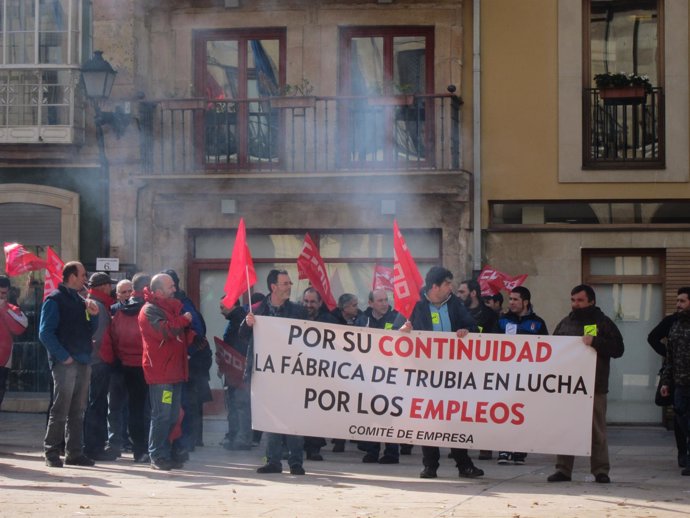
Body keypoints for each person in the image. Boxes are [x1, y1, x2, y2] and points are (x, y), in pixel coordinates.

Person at [398, 266, 484, 479]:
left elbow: (471, 326)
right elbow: (396, 333)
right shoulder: (415, 305)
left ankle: (464, 465)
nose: (451, 287)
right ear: (434, 286)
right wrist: (404, 331)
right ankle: (430, 466)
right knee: (429, 419)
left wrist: (466, 331)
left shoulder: (454, 303)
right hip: (425, 373)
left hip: (453, 373)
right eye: (447, 284)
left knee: (454, 419)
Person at [548, 284, 624, 483]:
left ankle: (600, 470)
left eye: (580, 300)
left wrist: (596, 342)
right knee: (566, 427)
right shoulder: (565, 323)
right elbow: (553, 349)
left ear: (591, 301)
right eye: (573, 300)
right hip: (568, 386)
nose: (576, 304)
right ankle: (563, 469)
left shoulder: (603, 323)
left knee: (597, 430)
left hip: (594, 386)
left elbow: (618, 348)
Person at [244, 269, 309, 475]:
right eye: (285, 283)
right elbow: (242, 335)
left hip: (292, 373)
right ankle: (273, 461)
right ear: (273, 287)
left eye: (289, 283)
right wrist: (248, 324)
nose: (289, 286)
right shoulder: (257, 310)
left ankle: (296, 462)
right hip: (266, 374)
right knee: (270, 418)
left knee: (293, 418)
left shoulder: (298, 311)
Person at [40, 261, 100, 468]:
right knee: (61, 409)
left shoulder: (80, 300)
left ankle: (75, 452)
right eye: (83, 275)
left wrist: (94, 317)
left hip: (83, 360)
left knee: (78, 409)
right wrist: (63, 356)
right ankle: (51, 451)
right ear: (72, 276)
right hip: (66, 363)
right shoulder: (54, 300)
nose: (86, 278)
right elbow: (45, 332)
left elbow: (89, 330)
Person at [139, 273, 194, 470]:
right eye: (171, 286)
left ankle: (166, 452)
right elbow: (166, 331)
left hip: (173, 372)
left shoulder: (168, 308)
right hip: (162, 374)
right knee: (162, 414)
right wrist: (184, 321)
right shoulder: (149, 311)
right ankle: (157, 454)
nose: (175, 289)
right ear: (160, 291)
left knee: (172, 415)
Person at [101, 273, 152, 463]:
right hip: (140, 367)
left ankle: (114, 447)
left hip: (119, 365)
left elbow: (112, 338)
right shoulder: (147, 311)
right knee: (138, 410)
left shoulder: (118, 314)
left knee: (114, 408)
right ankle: (140, 450)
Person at [496, 286, 548, 465]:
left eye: (515, 299)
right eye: (510, 299)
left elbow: (547, 348)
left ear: (525, 302)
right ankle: (504, 449)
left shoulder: (538, 323)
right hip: (505, 375)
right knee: (504, 412)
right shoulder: (502, 321)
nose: (511, 302)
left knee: (522, 414)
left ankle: (519, 450)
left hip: (527, 377)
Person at [164, 269, 212, 456]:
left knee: (186, 403)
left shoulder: (183, 305)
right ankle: (185, 441)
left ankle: (186, 442)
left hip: (186, 365)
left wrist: (188, 353)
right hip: (177, 365)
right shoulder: (179, 303)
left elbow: (197, 333)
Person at [648, 287, 690, 468]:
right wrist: (666, 379)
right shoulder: (674, 323)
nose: (678, 304)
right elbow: (656, 341)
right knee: (681, 419)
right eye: (677, 301)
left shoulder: (596, 323)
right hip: (679, 381)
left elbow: (611, 346)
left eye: (682, 301)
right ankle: (684, 454)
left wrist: (594, 341)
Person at [457, 278, 498, 461]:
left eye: (462, 292)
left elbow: (496, 338)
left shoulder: (489, 314)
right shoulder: (457, 312)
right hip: (461, 367)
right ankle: (458, 446)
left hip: (483, 368)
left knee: (483, 409)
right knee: (460, 408)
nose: (459, 295)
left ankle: (485, 447)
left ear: (473, 293)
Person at [361, 289, 403, 464]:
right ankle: (372, 450)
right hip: (369, 374)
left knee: (389, 414)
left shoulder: (397, 317)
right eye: (380, 301)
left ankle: (392, 453)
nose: (384, 303)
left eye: (386, 300)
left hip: (391, 374)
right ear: (370, 303)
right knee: (370, 413)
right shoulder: (363, 319)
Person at [83, 272, 118, 461]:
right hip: (99, 361)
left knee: (94, 404)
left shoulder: (93, 302)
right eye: (109, 285)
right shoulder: (99, 306)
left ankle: (91, 445)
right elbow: (100, 335)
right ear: (103, 287)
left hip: (94, 360)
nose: (111, 289)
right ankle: (94, 447)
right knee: (97, 405)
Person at [301, 287, 336, 461]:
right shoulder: (294, 317)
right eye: (306, 301)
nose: (309, 305)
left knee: (315, 414)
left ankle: (314, 448)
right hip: (298, 374)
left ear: (320, 303)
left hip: (320, 375)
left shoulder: (329, 321)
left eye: (313, 302)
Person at [330, 292, 367, 453]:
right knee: (339, 407)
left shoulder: (363, 318)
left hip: (357, 369)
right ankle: (339, 441)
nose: (356, 308)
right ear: (344, 308)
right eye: (353, 305)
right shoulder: (330, 319)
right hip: (338, 369)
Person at [218, 297, 252, 451]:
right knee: (234, 404)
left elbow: (240, 346)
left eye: (222, 307)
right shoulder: (234, 320)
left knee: (240, 404)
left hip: (239, 369)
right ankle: (235, 435)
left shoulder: (239, 321)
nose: (221, 311)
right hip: (233, 369)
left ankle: (242, 438)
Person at [0, 275, 28, 410]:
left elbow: (21, 325)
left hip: (4, 358)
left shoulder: (11, 308)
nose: (2, 296)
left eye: (4, 293)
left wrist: (4, 309)